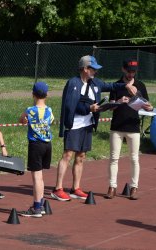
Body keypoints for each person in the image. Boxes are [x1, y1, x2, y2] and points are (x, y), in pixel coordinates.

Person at [51, 55, 137, 201]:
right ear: (85, 69)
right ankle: (58, 189)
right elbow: (70, 106)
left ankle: (75, 188)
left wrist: (126, 85)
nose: (95, 72)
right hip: (74, 125)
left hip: (87, 124)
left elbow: (111, 86)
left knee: (81, 156)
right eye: (93, 69)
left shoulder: (95, 82)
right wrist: (88, 108)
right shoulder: (73, 83)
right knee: (67, 155)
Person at [104, 59, 153, 200]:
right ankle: (112, 187)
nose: (132, 74)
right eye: (129, 71)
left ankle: (134, 188)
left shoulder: (140, 85)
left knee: (134, 158)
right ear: (123, 70)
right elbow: (110, 106)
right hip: (117, 127)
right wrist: (119, 102)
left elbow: (147, 105)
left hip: (133, 127)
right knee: (114, 158)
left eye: (134, 71)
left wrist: (148, 106)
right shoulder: (117, 85)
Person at [18, 82, 54, 218]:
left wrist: (25, 120)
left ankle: (37, 207)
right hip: (47, 144)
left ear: (33, 94)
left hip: (35, 145)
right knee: (41, 176)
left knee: (36, 177)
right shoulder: (49, 110)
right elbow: (51, 120)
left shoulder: (30, 110)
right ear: (47, 95)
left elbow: (22, 120)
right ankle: (41, 203)